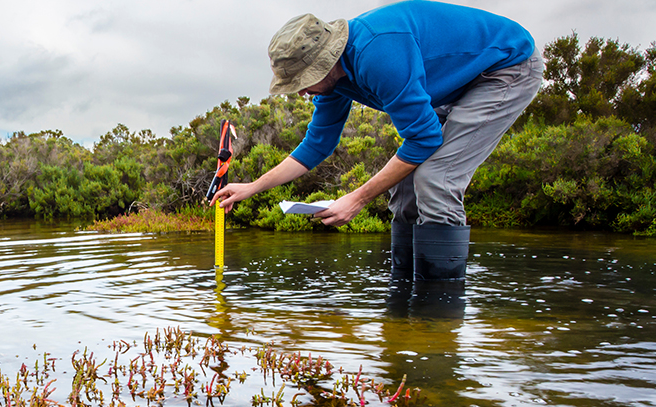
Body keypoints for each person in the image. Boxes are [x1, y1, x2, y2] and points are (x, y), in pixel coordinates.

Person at [211, 0, 542, 282]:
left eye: (305, 80)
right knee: (407, 184)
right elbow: (317, 144)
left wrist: (357, 199)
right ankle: (403, 300)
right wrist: (253, 187)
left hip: (504, 68)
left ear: (327, 61)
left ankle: (438, 314)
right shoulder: (334, 82)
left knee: (435, 178)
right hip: (456, 83)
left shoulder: (379, 55)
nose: (301, 90)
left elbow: (423, 140)